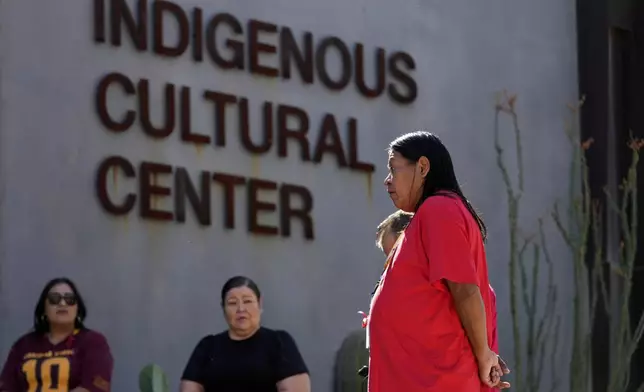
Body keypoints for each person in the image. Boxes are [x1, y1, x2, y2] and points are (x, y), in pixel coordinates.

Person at [368, 131, 510, 391]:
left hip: (437, 381)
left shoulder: (439, 210)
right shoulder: (430, 215)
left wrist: (483, 355)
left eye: (393, 168)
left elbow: (465, 290)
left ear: (422, 167)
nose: (387, 181)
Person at [180, 276, 310, 392]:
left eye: (247, 301)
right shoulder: (207, 347)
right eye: (232, 303)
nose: (241, 309)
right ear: (223, 308)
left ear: (259, 304)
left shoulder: (278, 342)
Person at [0, 277, 114, 392]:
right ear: (44, 309)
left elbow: (94, 388)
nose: (62, 303)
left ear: (77, 308)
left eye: (70, 299)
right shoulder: (23, 345)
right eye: (54, 299)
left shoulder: (93, 342)